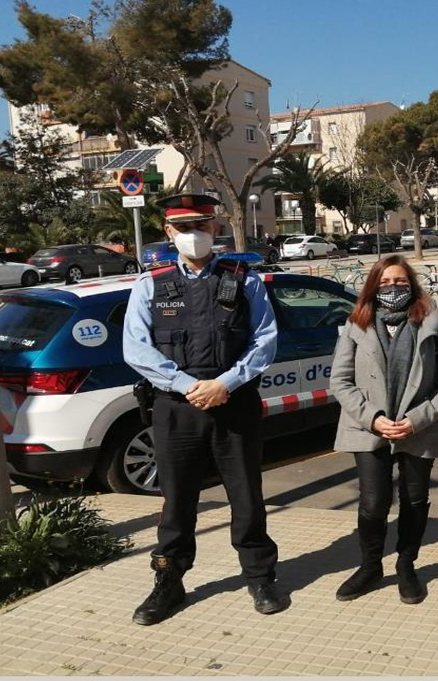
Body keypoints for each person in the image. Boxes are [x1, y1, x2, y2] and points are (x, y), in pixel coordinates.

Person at [123, 193, 284, 625]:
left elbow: (264, 341)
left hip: (234, 402)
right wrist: (189, 385)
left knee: (247, 495)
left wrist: (225, 383)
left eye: (202, 225)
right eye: (184, 227)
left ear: (215, 228)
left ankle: (260, 577)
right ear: (169, 231)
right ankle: (169, 582)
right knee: (176, 501)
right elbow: (136, 349)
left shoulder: (244, 279)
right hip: (177, 407)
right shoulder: (151, 284)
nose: (194, 234)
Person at [329, 255, 438, 604]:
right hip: (369, 427)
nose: (393, 288)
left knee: (415, 500)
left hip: (419, 427)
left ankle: (407, 566)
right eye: (385, 282)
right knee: (373, 503)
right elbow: (340, 381)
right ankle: (370, 566)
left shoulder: (434, 323)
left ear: (413, 285)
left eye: (401, 282)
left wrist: (417, 419)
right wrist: (372, 418)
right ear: (373, 286)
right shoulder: (355, 324)